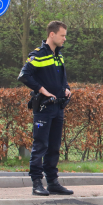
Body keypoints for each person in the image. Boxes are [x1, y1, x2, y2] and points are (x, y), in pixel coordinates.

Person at [18, 21, 74, 196]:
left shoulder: (59, 56)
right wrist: (42, 90)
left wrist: (66, 89)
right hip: (43, 108)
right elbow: (24, 75)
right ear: (52, 34)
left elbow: (62, 78)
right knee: (40, 145)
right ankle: (36, 183)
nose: (65, 38)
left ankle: (52, 182)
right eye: (62, 35)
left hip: (58, 108)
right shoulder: (39, 55)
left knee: (54, 147)